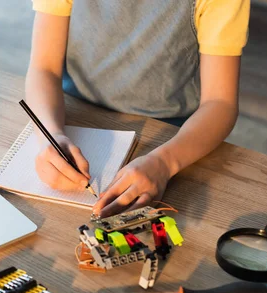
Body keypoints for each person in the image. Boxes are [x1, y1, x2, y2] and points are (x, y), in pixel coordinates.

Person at [26, 0, 249, 217]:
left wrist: (164, 163)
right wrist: (51, 136)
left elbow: (221, 103)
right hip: (74, 112)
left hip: (172, 134)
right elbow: (43, 68)